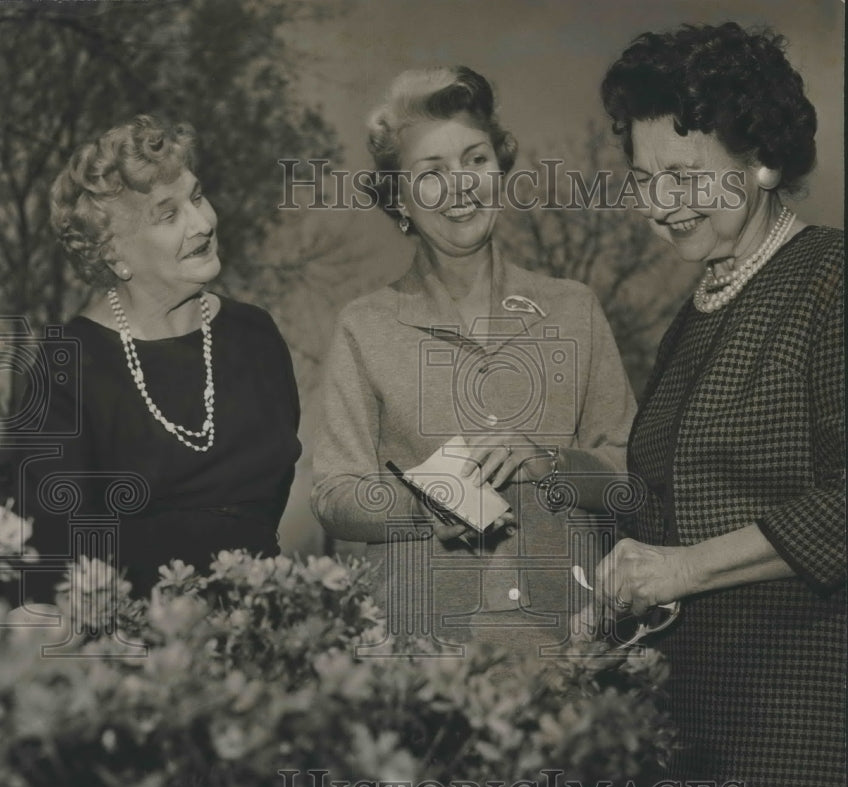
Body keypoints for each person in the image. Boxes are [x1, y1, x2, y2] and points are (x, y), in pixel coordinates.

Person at [591, 22, 845, 787]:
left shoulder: (830, 280)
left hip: (801, 728)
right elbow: (661, 509)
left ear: (763, 160)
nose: (661, 204)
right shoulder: (692, 317)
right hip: (694, 726)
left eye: (686, 176)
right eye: (644, 178)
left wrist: (684, 569)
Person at [311, 67, 636, 660]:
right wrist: (422, 504)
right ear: (399, 199)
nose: (460, 186)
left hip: (567, 645)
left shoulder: (574, 309)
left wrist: (549, 463)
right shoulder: (366, 326)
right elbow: (335, 495)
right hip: (422, 649)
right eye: (431, 173)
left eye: (475, 160)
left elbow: (627, 477)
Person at [1, 114, 301, 602]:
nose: (203, 223)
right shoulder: (68, 366)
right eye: (168, 215)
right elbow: (45, 561)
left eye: (197, 197)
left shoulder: (256, 336)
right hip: (135, 633)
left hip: (264, 619)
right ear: (113, 253)